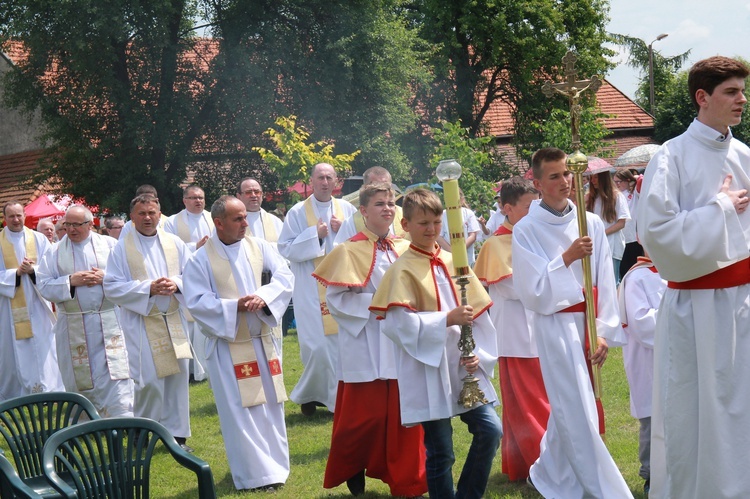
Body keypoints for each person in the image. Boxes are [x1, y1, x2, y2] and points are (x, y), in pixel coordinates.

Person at [637, 56, 750, 499]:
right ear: (703, 98)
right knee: (700, 411)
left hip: (743, 303)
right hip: (698, 309)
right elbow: (657, 237)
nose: (742, 99)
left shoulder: (745, 155)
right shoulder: (671, 157)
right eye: (731, 91)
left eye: (742, 90)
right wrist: (719, 209)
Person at [512, 148, 631, 498]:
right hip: (556, 325)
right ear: (537, 183)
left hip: (588, 322)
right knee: (579, 408)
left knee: (571, 404)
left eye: (567, 174)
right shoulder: (526, 230)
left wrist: (605, 331)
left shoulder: (590, 222)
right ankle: (604, 490)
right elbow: (531, 291)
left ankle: (547, 472)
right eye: (554, 176)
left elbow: (605, 281)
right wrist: (566, 258)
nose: (565, 181)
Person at [369, 188, 502, 499]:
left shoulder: (453, 261)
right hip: (427, 367)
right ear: (406, 225)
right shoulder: (401, 269)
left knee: (490, 430)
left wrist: (478, 355)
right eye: (423, 223)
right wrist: (446, 319)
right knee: (441, 450)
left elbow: (480, 316)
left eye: (437, 222)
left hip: (462, 366)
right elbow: (398, 325)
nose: (431, 230)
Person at [314, 183, 427, 497]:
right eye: (379, 204)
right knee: (365, 417)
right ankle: (354, 466)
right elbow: (336, 299)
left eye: (391, 203)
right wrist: (378, 305)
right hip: (367, 342)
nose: (388, 208)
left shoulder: (406, 247)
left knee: (408, 415)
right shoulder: (348, 250)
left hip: (402, 342)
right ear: (363, 211)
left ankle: (407, 480)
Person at [183, 196, 293, 492]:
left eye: (245, 217)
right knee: (240, 411)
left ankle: (276, 468)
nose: (246, 223)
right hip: (230, 347)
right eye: (238, 219)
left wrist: (265, 298)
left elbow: (285, 276)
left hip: (263, 341)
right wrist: (234, 308)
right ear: (218, 223)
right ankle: (254, 476)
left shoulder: (259, 246)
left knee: (271, 403)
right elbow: (196, 301)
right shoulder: (200, 259)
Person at [103, 194, 193, 452]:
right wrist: (148, 288)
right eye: (141, 213)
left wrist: (177, 283)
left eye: (152, 212)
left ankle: (177, 435)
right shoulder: (121, 247)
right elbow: (111, 287)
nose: (147, 217)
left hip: (173, 318)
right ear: (132, 217)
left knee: (177, 376)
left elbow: (193, 276)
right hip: (142, 322)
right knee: (150, 380)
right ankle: (143, 431)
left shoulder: (174, 242)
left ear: (159, 214)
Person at [473, 177, 548, 482]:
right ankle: (536, 463)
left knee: (541, 399)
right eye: (529, 207)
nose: (536, 212)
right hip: (516, 336)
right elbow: (518, 288)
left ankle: (533, 462)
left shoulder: (537, 236)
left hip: (541, 330)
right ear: (507, 208)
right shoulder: (495, 244)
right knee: (527, 404)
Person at [37, 205, 133, 417]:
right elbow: (43, 285)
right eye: (67, 224)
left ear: (90, 224)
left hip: (108, 321)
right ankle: (85, 424)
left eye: (77, 224)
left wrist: (104, 277)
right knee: (78, 376)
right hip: (73, 326)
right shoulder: (53, 252)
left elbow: (127, 278)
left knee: (115, 375)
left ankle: (121, 418)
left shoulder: (109, 245)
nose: (71, 230)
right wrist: (71, 281)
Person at [278, 163, 356, 415]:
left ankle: (324, 397)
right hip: (310, 288)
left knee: (340, 344)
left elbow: (363, 242)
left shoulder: (348, 209)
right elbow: (285, 248)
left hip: (342, 287)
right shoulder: (298, 212)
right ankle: (312, 394)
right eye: (319, 177)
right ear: (311, 181)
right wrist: (316, 235)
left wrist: (342, 229)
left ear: (336, 181)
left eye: (329, 177)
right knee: (317, 347)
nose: (324, 182)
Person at [0, 201, 63, 401]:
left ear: (25, 216)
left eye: (19, 215)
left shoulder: (39, 239)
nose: (16, 220)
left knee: (44, 343)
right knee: (13, 347)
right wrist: (15, 274)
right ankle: (17, 393)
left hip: (38, 302)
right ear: (5, 218)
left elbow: (50, 269)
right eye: (12, 216)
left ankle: (48, 388)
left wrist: (33, 270)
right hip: (10, 305)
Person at [618, 250, 665, 495]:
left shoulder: (676, 272)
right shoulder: (637, 278)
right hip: (648, 361)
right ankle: (650, 475)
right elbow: (642, 323)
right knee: (652, 418)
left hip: (677, 358)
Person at [164, 184, 214, 382]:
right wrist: (195, 246)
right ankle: (191, 368)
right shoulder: (172, 221)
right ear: (184, 200)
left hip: (211, 274)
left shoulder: (212, 217)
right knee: (189, 323)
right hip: (187, 275)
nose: (198, 201)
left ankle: (205, 366)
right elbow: (169, 248)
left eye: (201, 197)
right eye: (193, 198)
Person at [334, 166, 407, 243]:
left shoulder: (406, 216)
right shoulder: (351, 223)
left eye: (386, 186)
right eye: (376, 186)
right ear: (365, 188)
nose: (381, 191)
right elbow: (342, 252)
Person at [585, 171, 630, 283]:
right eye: (591, 178)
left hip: (612, 245)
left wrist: (601, 233)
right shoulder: (590, 198)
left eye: (596, 177)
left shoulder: (617, 196)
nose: (593, 181)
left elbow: (621, 223)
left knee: (612, 282)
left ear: (603, 178)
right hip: (594, 246)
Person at [237, 178, 284, 250]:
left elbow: (284, 248)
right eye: (248, 192)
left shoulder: (275, 221)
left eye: (257, 192)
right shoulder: (233, 221)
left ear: (262, 195)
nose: (253, 195)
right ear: (239, 196)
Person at [437, 190, 481, 267]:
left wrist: (460, 250)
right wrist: (452, 251)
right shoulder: (443, 215)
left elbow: (473, 235)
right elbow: (439, 237)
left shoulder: (468, 213)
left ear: (461, 199)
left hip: (467, 257)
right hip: (448, 257)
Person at [614, 169, 644, 278]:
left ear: (627, 180)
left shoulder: (633, 192)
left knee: (633, 268)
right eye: (615, 182)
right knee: (622, 270)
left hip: (633, 238)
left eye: (619, 181)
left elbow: (643, 180)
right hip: (621, 237)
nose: (617, 184)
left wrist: (634, 178)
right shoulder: (616, 195)